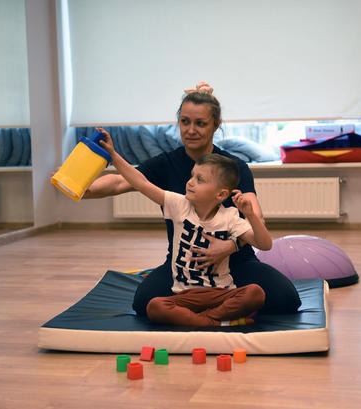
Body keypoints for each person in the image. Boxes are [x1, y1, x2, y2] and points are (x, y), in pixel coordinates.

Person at [83, 82, 301, 316]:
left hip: (236, 262)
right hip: (182, 266)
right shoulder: (166, 163)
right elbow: (121, 182)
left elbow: (255, 218)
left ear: (216, 124)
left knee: (286, 299)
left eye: (200, 123)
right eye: (185, 122)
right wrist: (83, 189)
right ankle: (215, 304)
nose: (191, 130)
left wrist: (230, 246)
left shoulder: (233, 167)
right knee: (144, 303)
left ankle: (205, 303)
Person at [99, 130, 269, 326]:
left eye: (200, 180)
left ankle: (201, 321)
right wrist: (113, 155)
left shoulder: (230, 217)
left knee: (255, 293)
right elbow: (141, 182)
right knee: (155, 306)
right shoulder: (178, 204)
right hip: (184, 294)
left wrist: (250, 216)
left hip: (220, 293)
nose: (190, 182)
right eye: (192, 176)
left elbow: (264, 244)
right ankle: (215, 322)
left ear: (221, 195)